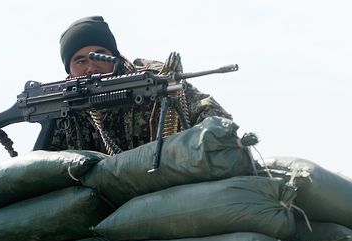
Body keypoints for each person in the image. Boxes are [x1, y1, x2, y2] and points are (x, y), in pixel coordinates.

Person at [49, 16, 232, 155]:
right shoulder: (64, 105)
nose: (91, 68)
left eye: (99, 55)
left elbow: (205, 110)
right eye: (80, 61)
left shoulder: (150, 79)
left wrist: (217, 136)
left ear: (114, 57)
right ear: (69, 72)